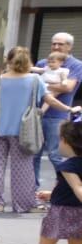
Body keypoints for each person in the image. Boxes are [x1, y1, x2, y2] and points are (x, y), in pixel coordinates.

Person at [0, 47, 44, 214]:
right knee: (22, 167)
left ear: (8, 60)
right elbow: (47, 99)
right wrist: (68, 109)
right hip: (23, 131)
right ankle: (23, 204)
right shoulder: (35, 79)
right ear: (29, 61)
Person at [30, 121, 82, 244]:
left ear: (67, 141)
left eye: (60, 139)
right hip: (78, 213)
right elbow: (70, 190)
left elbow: (78, 187)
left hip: (61, 213)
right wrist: (52, 194)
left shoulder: (67, 166)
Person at [39, 32, 81, 180]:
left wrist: (44, 85)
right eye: (54, 43)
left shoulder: (76, 65)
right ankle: (34, 192)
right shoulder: (42, 63)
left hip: (58, 116)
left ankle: (66, 187)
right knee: (33, 155)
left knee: (55, 155)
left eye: (60, 44)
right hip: (36, 114)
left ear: (69, 47)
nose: (56, 46)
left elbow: (68, 87)